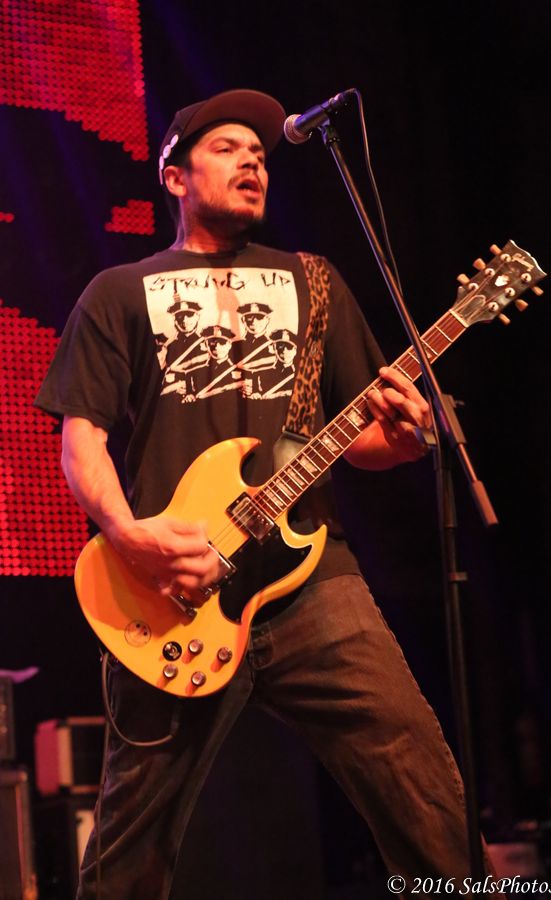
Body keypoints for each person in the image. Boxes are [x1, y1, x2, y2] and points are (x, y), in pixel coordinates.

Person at [36, 89, 492, 897]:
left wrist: (407, 437)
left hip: (313, 580)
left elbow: (361, 440)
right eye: (227, 148)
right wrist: (130, 537)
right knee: (130, 844)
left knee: (421, 786)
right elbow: (82, 442)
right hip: (171, 589)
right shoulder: (118, 291)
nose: (252, 160)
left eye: (259, 152)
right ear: (174, 176)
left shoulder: (313, 280)